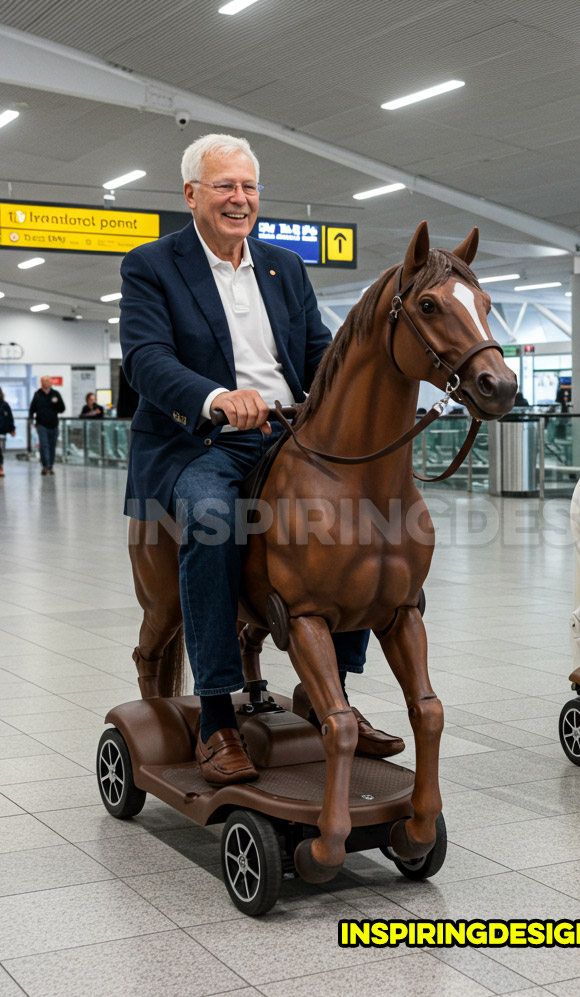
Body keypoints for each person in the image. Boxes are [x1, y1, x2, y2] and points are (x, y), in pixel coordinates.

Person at [119, 133, 402, 786]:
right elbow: (147, 360)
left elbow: (317, 356)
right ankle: (217, 715)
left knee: (370, 522)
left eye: (249, 187)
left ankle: (329, 693)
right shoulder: (151, 266)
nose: (239, 199)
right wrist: (218, 397)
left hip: (287, 435)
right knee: (213, 519)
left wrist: (356, 393)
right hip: (200, 442)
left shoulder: (283, 267)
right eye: (225, 186)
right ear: (191, 194)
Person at [28, 376, 65, 475]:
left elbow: (62, 408)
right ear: (41, 383)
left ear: (50, 382)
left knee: (52, 446)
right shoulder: (37, 395)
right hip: (41, 425)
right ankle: (46, 466)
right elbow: (32, 409)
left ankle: (50, 466)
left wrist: (56, 403)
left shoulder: (55, 394)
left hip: (53, 424)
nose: (46, 383)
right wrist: (32, 422)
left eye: (47, 381)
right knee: (44, 446)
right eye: (43, 381)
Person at [0, 387, 14, 478]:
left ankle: (0, 466)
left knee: (0, 450)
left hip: (1, 430)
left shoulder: (5, 405)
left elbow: (10, 418)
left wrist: (12, 429)